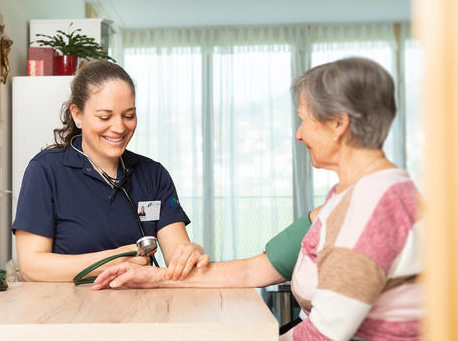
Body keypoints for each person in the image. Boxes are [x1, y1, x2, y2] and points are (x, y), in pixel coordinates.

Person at [93, 57, 422, 341]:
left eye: (304, 119)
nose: (299, 133)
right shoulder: (350, 195)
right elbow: (254, 271)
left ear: (338, 124)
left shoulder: (374, 205)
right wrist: (156, 277)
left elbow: (322, 336)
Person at [12, 61, 209, 282]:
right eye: (105, 117)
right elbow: (32, 266)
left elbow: (177, 254)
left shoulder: (154, 175)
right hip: (69, 310)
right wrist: (114, 260)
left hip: (140, 308)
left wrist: (190, 254)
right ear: (77, 115)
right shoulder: (45, 171)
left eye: (128, 115)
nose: (119, 127)